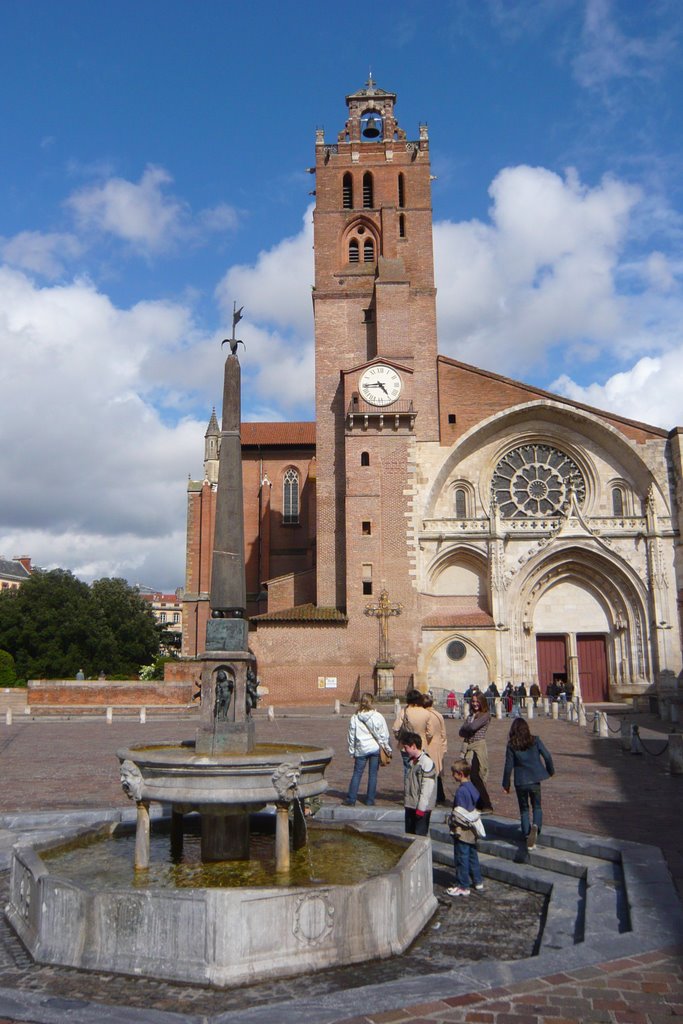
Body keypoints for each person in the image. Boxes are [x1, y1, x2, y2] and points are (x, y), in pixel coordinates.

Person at [502, 717, 555, 850]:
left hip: (520, 781)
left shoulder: (511, 745)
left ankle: (527, 835)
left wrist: (506, 784)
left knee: (524, 809)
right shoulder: (535, 740)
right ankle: (536, 826)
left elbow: (508, 766)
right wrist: (550, 771)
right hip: (535, 779)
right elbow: (547, 756)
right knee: (537, 806)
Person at [344, 692, 391, 807]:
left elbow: (351, 736)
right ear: (372, 702)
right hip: (374, 748)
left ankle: (351, 799)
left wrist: (352, 751)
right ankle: (370, 800)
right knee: (373, 774)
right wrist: (386, 746)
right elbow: (384, 734)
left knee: (357, 773)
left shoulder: (355, 717)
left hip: (361, 748)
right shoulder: (378, 716)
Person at [447, 758, 484, 897]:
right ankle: (478, 880)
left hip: (462, 830)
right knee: (472, 856)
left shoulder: (461, 791)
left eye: (454, 773)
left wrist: (452, 823)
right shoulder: (472, 787)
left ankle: (463, 885)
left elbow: (459, 813)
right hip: (472, 829)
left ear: (460, 774)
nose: (453, 776)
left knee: (461, 857)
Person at [459, 692, 493, 811]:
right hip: (469, 747)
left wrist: (468, 726)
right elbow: (461, 732)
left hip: (478, 747)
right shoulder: (471, 715)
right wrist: (468, 726)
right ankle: (478, 803)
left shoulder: (485, 715)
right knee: (470, 775)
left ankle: (487, 804)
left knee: (476, 775)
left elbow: (472, 727)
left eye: (477, 701)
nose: (474, 704)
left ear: (482, 702)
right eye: (473, 701)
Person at [401, 731, 437, 835]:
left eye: (406, 747)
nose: (404, 750)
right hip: (411, 805)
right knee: (409, 837)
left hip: (421, 809)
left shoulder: (426, 763)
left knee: (419, 838)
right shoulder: (412, 761)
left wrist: (421, 809)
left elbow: (427, 789)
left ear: (413, 746)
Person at [393, 689, 433, 779]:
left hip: (406, 745)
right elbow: (430, 733)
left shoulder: (405, 711)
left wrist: (399, 738)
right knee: (421, 768)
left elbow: (395, 728)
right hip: (421, 745)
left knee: (407, 769)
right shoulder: (426, 713)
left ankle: (409, 791)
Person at [422, 693, 448, 805]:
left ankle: (432, 795)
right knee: (438, 770)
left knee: (429, 770)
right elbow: (443, 733)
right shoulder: (438, 714)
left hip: (429, 745)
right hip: (438, 745)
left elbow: (429, 732)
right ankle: (440, 794)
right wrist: (444, 746)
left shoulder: (426, 715)